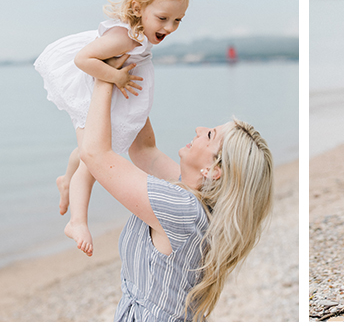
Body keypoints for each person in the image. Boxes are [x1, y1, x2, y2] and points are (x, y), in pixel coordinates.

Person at [33, 0, 213, 256]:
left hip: (110, 93)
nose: (170, 27)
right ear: (137, 9)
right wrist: (115, 77)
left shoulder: (138, 36)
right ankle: (76, 221)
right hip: (92, 93)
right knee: (93, 160)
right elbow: (83, 60)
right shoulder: (123, 40)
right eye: (163, 18)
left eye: (177, 20)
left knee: (87, 152)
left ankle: (66, 180)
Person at [80, 72, 273, 321]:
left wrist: (103, 77)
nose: (199, 129)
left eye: (210, 135)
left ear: (214, 170)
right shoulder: (195, 198)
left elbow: (95, 154)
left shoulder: (182, 209)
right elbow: (143, 150)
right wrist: (131, 71)